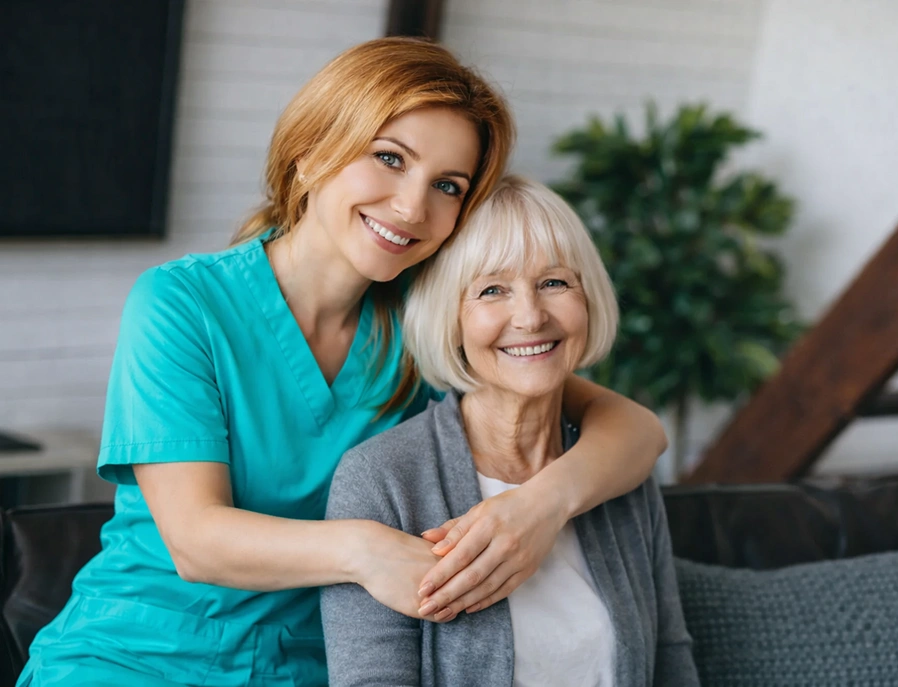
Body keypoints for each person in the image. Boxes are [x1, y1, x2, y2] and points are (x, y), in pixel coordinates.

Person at [17, 40, 668, 687]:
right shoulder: (183, 304)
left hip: (314, 667)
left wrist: (539, 508)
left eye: (447, 186)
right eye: (389, 159)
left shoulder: (422, 326)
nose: (413, 207)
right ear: (309, 155)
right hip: (134, 656)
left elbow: (637, 429)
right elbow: (197, 539)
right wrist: (368, 551)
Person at [322, 176, 699, 687]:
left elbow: (669, 656)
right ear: (450, 317)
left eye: (554, 283)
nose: (530, 316)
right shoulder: (381, 479)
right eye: (492, 290)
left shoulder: (618, 472)